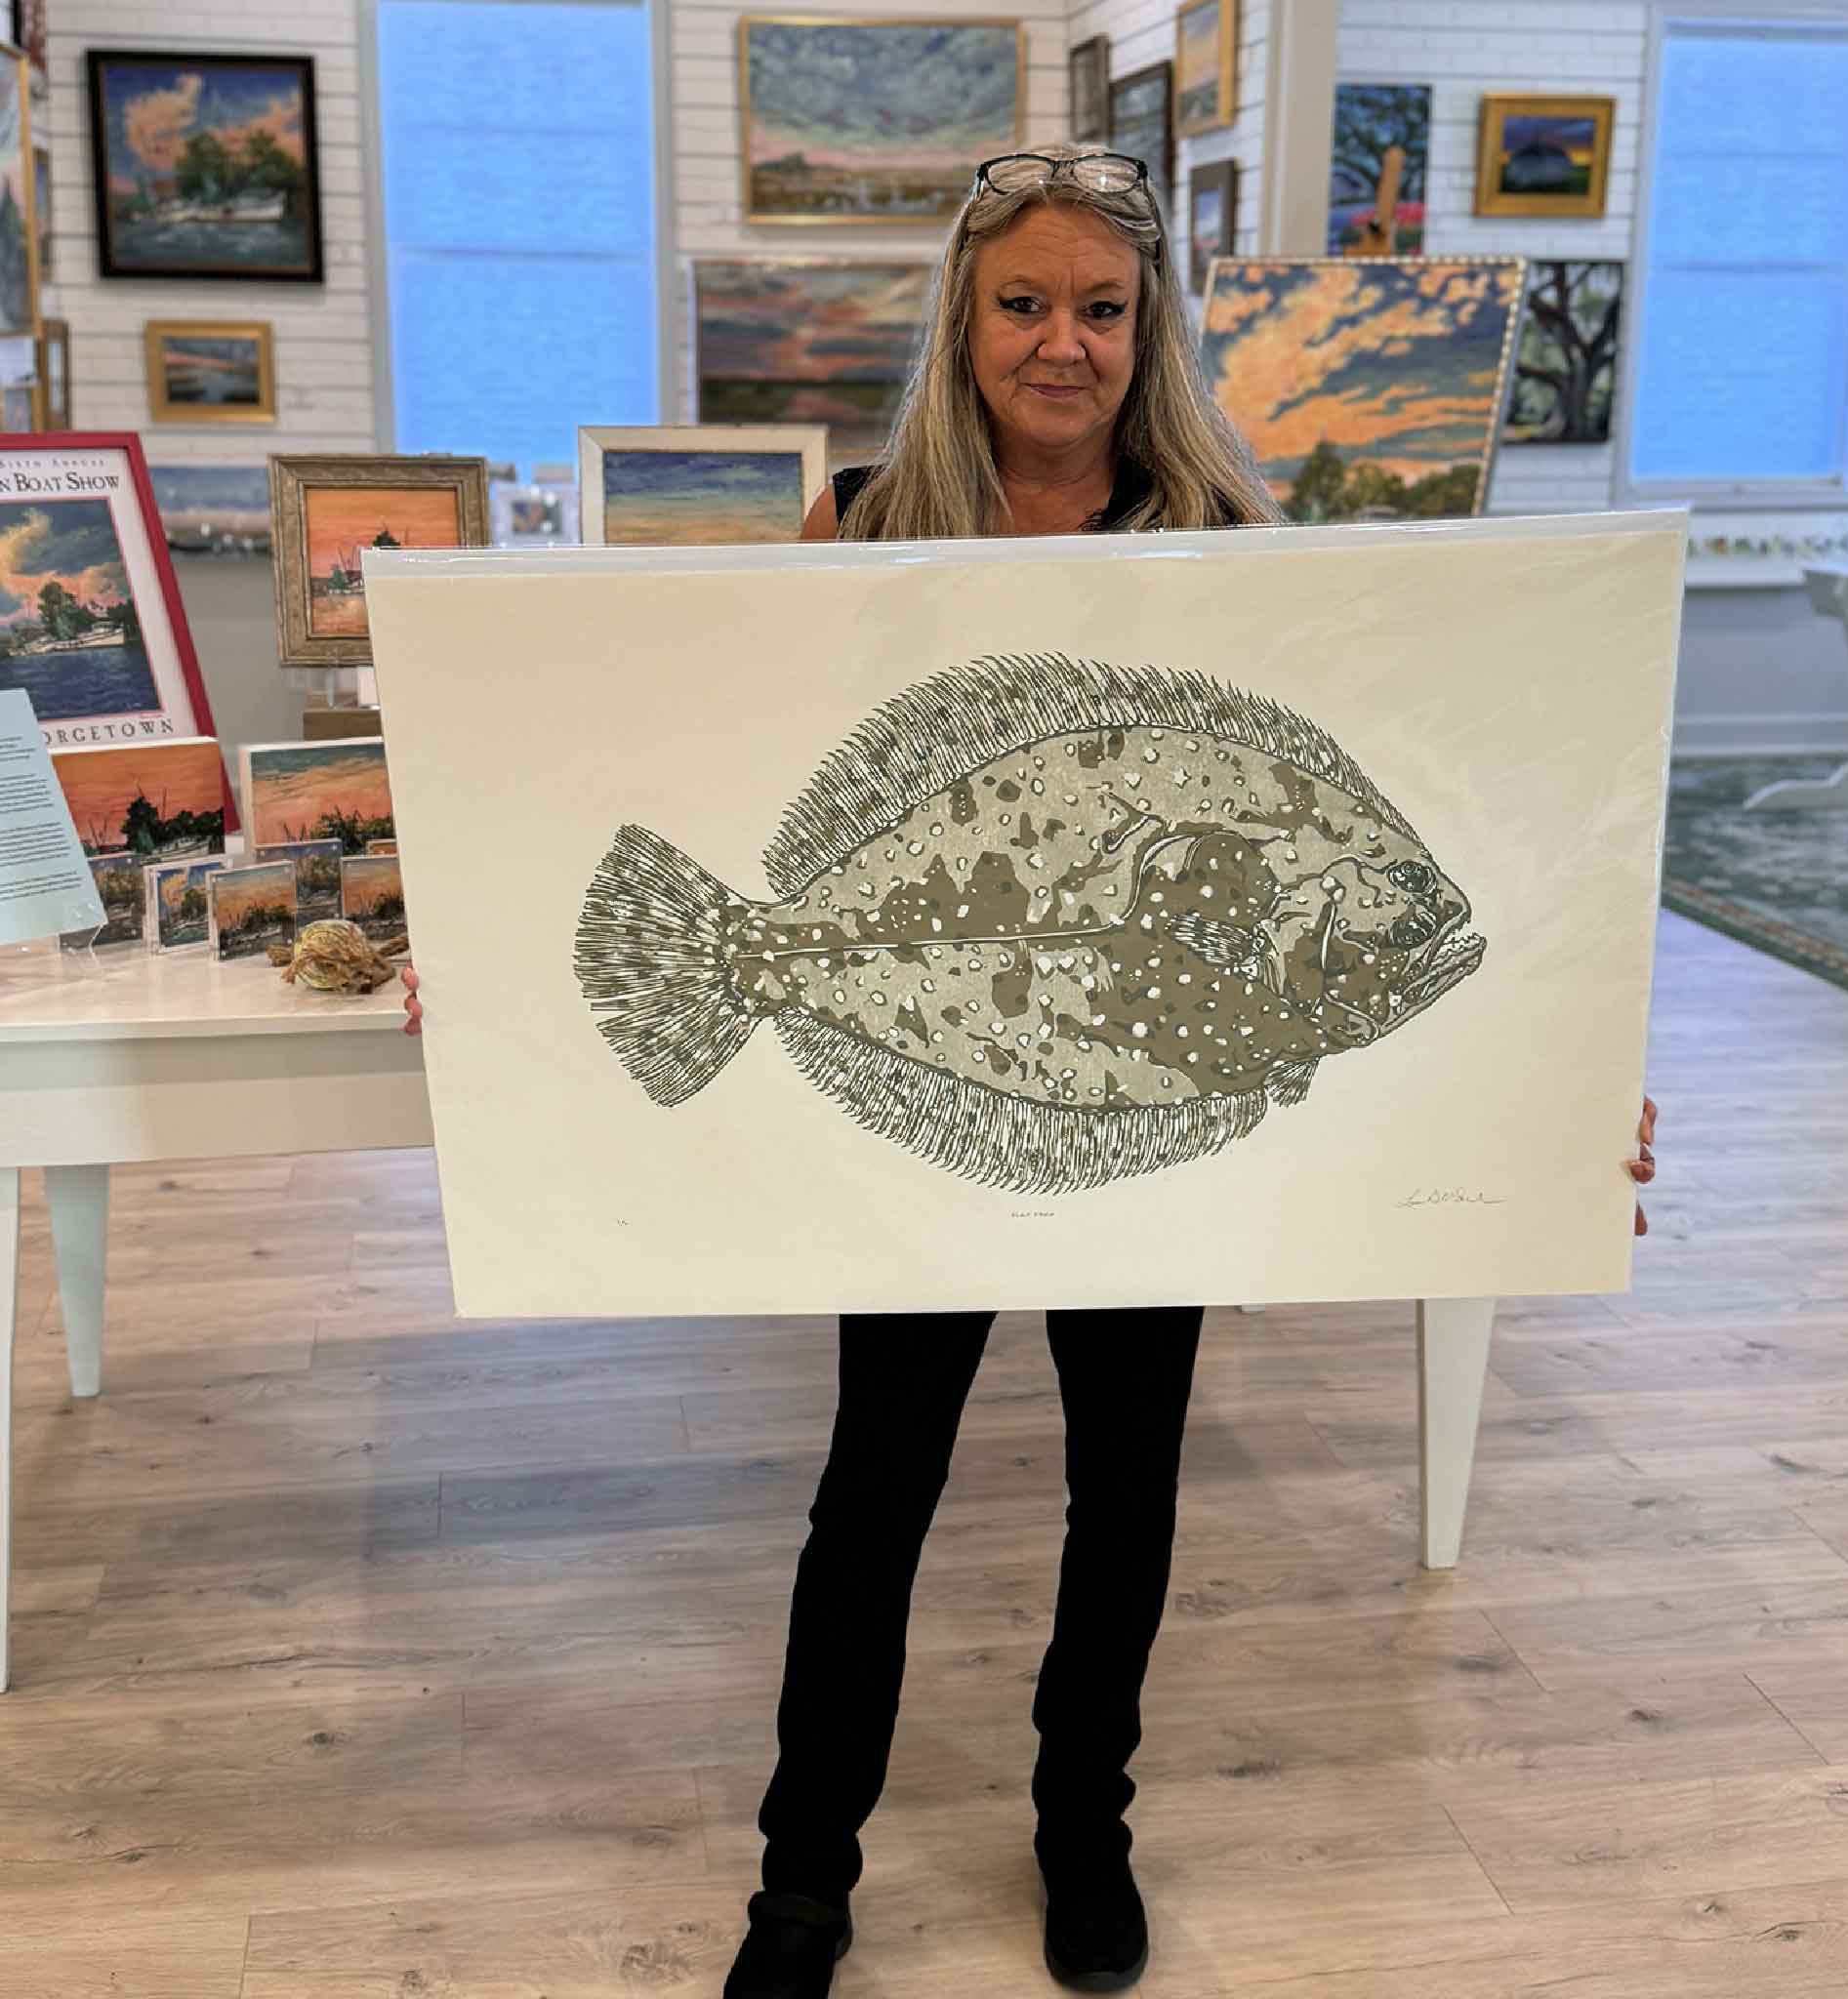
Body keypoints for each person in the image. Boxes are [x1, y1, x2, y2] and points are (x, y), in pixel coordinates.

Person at [402, 145, 1660, 1999]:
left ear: (1151, 335)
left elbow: (1470, 832)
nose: (1061, 342)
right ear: (962, 320)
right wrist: (497, 957)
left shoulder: (1233, 553)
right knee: (875, 1486)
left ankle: (1089, 1826)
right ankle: (802, 1880)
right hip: (944, 1101)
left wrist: (1555, 1075)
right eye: (1023, 303)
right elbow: (701, 755)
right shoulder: (858, 526)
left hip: (1156, 1123)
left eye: (1101, 309)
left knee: (1126, 1491)